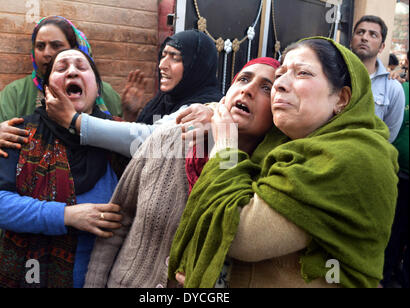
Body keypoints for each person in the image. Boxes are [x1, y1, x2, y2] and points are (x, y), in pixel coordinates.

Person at [169, 37, 399, 288]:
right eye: (280, 74)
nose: (280, 85)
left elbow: (240, 234)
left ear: (342, 99)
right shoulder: (283, 142)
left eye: (302, 73)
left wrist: (225, 148)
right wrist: (212, 109)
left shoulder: (353, 157)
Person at [83, 57, 279, 288]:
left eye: (266, 88)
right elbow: (118, 218)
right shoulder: (169, 140)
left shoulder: (268, 177)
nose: (248, 90)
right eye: (243, 79)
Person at [0, 49, 125, 288]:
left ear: (97, 88)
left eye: (81, 66)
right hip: (32, 276)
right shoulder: (22, 133)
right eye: (61, 68)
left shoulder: (117, 138)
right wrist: (67, 216)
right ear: (46, 90)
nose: (72, 71)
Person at [0, 16, 122, 170]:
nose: (46, 53)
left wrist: (130, 112)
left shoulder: (104, 92)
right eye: (40, 46)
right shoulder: (16, 93)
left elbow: (125, 142)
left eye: (56, 45)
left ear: (77, 50)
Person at [45, 29, 223, 158]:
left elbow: (153, 142)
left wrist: (74, 120)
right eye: (163, 55)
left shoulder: (212, 112)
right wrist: (130, 115)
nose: (162, 65)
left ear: (198, 66)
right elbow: (135, 153)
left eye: (175, 58)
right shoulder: (164, 102)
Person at [350, 15, 405, 142]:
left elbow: (388, 136)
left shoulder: (392, 88)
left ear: (382, 47)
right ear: (351, 40)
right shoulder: (333, 76)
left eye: (373, 35)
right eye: (360, 32)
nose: (364, 38)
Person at [382, 50, 409, 288]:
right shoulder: (400, 89)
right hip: (399, 176)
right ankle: (385, 276)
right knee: (392, 230)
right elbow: (391, 129)